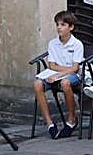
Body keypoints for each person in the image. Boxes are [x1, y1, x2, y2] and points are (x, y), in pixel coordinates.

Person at [33, 10, 84, 139]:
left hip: (71, 76)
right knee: (37, 84)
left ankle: (71, 119)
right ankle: (49, 123)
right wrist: (61, 71)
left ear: (71, 27)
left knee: (65, 83)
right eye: (57, 24)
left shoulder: (77, 44)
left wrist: (59, 74)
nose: (59, 27)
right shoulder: (53, 43)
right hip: (55, 73)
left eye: (63, 25)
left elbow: (75, 68)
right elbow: (52, 65)